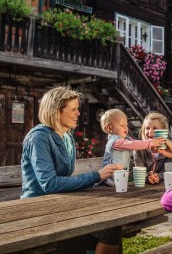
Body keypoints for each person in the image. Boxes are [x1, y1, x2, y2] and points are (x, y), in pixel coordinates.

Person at [21, 86, 123, 254]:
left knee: (112, 221)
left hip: (60, 203)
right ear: (56, 111)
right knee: (109, 229)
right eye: (73, 109)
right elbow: (50, 184)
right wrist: (96, 175)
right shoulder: (39, 137)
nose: (78, 113)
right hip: (37, 208)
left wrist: (104, 179)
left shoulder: (67, 136)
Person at [99, 109, 165, 185]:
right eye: (122, 125)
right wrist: (150, 143)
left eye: (126, 125)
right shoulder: (116, 142)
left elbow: (134, 142)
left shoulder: (124, 139)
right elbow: (134, 144)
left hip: (118, 180)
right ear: (109, 128)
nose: (126, 128)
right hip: (108, 180)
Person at [135, 111, 172, 184]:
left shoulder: (169, 148)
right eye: (147, 128)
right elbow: (139, 169)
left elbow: (169, 170)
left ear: (163, 131)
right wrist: (148, 177)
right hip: (143, 188)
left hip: (164, 185)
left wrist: (158, 176)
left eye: (155, 128)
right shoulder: (139, 149)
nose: (150, 132)